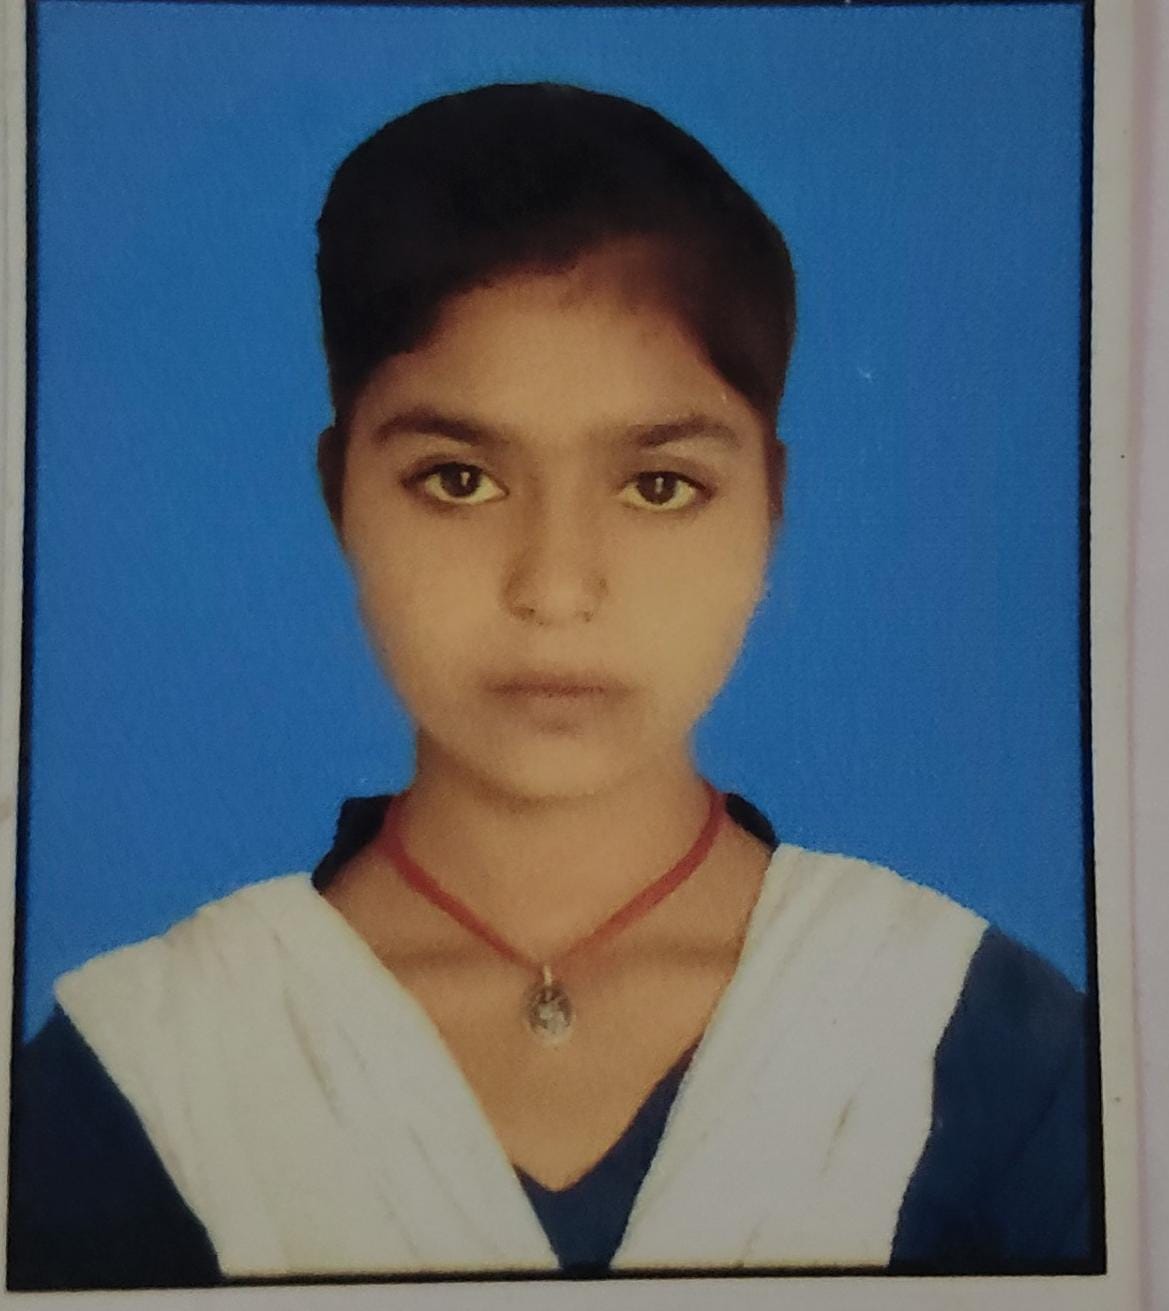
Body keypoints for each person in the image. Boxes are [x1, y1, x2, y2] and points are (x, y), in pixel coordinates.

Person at [7, 82, 1096, 1290]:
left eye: (658, 486)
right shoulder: (142, 1080)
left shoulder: (980, 1049)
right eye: (458, 479)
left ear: (770, 508)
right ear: (338, 494)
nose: (555, 589)